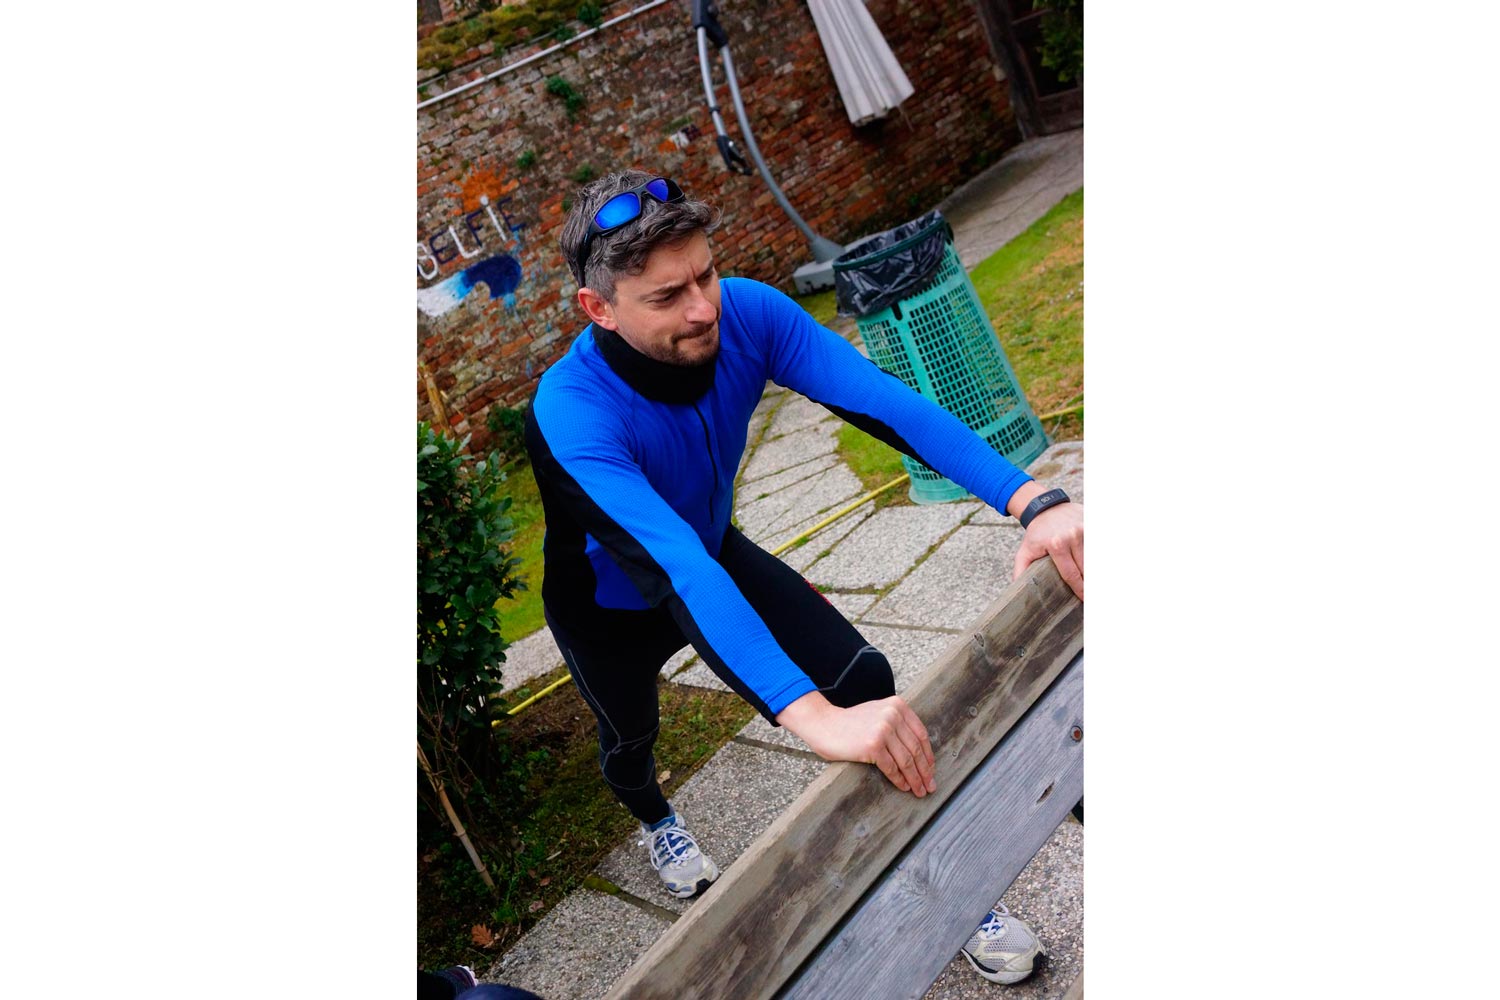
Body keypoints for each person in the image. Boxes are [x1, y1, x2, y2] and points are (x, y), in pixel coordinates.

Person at [522, 170, 1083, 984]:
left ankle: (951, 887)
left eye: (706, 274)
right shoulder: (572, 408)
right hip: (611, 603)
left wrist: (1036, 501)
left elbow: (883, 401)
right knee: (631, 744)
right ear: (599, 309)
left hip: (711, 550)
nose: (703, 308)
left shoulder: (749, 312)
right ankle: (657, 823)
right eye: (668, 295)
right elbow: (669, 564)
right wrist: (803, 715)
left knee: (868, 686)